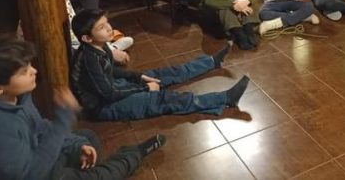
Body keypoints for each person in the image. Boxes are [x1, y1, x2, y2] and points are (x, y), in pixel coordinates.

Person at [0, 37, 166, 179]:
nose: (34, 71)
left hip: (38, 157)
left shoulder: (19, 97)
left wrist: (76, 146)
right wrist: (63, 118)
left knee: (87, 138)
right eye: (24, 72)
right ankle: (134, 154)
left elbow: (40, 128)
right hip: (34, 173)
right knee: (102, 175)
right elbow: (31, 173)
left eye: (30, 65)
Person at [70, 9, 250, 121]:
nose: (109, 28)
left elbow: (111, 72)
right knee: (162, 100)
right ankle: (224, 99)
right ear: (87, 38)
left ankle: (211, 62)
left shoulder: (100, 46)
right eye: (101, 27)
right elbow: (109, 94)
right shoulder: (89, 59)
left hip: (112, 88)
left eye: (106, 23)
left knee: (161, 73)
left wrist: (138, 77)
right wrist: (146, 88)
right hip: (103, 106)